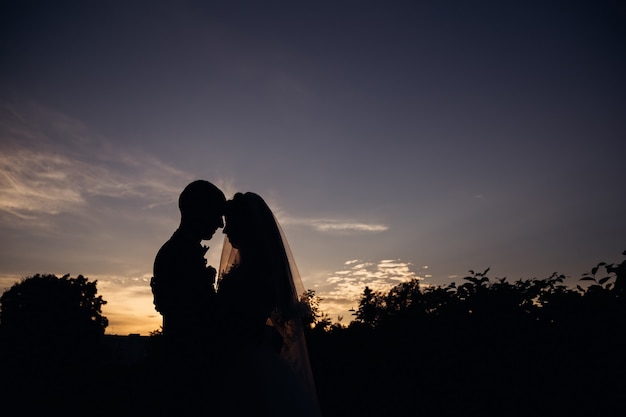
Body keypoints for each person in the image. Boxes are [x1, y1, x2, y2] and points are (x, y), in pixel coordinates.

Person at [214, 192, 322, 417]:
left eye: (231, 223)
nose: (225, 231)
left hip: (247, 367)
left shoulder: (256, 274)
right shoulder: (257, 270)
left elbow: (244, 322)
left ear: (246, 226)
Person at [150, 179, 226, 415]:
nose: (220, 223)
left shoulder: (182, 250)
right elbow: (195, 317)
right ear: (199, 211)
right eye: (216, 213)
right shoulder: (178, 253)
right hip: (188, 370)